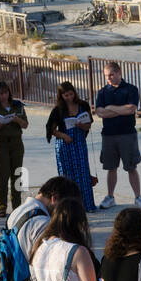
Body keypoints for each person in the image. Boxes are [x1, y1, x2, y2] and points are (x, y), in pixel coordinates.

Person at [92, 60, 141, 210]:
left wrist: (111, 108)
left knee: (131, 167)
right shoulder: (102, 92)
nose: (108, 78)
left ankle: (138, 197)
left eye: (111, 75)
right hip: (108, 135)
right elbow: (100, 112)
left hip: (127, 134)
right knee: (111, 167)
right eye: (106, 76)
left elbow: (131, 109)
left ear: (119, 73)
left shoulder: (131, 89)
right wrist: (118, 110)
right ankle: (110, 197)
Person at [46, 81, 97, 213]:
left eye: (70, 94)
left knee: (83, 173)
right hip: (64, 144)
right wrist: (63, 136)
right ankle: (68, 207)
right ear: (61, 96)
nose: (69, 97)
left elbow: (88, 125)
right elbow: (51, 129)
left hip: (79, 143)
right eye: (66, 95)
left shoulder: (83, 105)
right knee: (67, 175)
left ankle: (87, 205)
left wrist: (82, 126)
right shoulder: (58, 110)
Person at [0, 80, 28, 218]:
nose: (4, 96)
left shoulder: (17, 105)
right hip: (1, 143)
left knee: (17, 174)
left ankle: (17, 205)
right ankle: (2, 206)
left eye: (6, 92)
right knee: (3, 176)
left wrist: (17, 120)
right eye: (0, 93)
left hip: (16, 142)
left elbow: (25, 125)